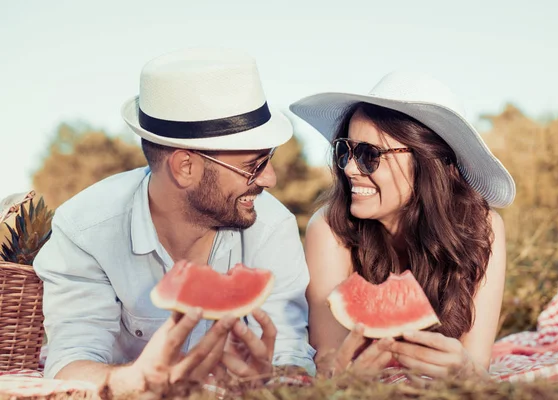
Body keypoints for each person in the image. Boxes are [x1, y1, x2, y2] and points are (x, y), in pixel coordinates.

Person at [33, 48, 316, 394]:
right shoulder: (84, 231)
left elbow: (291, 353)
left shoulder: (272, 227)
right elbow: (71, 362)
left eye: (268, 159)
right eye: (253, 166)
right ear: (185, 167)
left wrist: (271, 383)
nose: (270, 178)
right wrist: (131, 381)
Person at [289, 71, 515, 380]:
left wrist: (463, 369)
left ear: (427, 163)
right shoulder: (328, 228)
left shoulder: (483, 227)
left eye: (370, 154)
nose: (350, 168)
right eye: (345, 150)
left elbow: (477, 366)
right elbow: (330, 365)